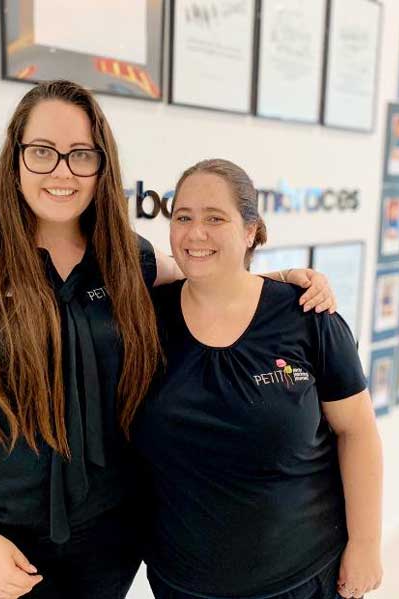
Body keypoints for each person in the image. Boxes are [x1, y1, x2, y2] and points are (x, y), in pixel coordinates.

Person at [0, 81, 337, 599]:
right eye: (42, 152)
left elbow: (204, 274)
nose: (62, 171)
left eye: (80, 155)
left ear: (101, 167)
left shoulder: (128, 261)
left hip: (107, 545)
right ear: (14, 161)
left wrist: (281, 280)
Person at [133, 159, 383, 599]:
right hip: (183, 583)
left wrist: (366, 544)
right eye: (183, 217)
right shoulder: (145, 321)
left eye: (215, 218)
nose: (195, 233)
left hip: (302, 578)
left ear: (250, 230)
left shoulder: (307, 317)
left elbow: (357, 430)